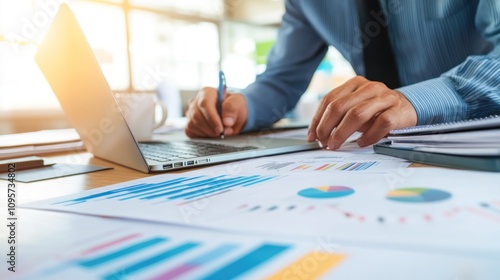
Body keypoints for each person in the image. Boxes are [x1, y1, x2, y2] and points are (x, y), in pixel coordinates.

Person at [185, 0, 500, 150]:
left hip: (473, 141)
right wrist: (244, 106)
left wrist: (413, 100)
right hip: (375, 153)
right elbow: (282, 78)